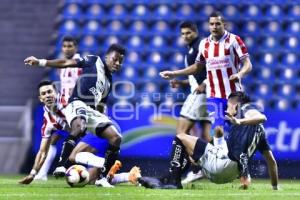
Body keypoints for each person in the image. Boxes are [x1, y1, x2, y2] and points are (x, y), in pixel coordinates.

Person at [24, 44, 126, 186]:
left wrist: (99, 126)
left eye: (120, 61)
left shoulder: (108, 83)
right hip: (77, 103)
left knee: (116, 138)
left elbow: (101, 107)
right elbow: (66, 62)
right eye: (115, 59)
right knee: (80, 125)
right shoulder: (93, 60)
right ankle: (61, 165)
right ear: (107, 57)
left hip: (92, 113)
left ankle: (102, 179)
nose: (117, 64)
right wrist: (41, 62)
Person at [138, 92, 279, 190]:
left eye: (229, 105)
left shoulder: (245, 109)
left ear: (236, 105)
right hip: (229, 174)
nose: (227, 109)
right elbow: (271, 161)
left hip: (222, 166)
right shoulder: (260, 135)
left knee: (180, 137)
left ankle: (174, 181)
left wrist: (239, 120)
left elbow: (261, 117)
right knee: (193, 149)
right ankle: (171, 177)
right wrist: (275, 187)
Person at [160, 11, 253, 132]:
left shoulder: (234, 40)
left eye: (217, 24)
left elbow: (248, 63)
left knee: (234, 131)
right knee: (218, 130)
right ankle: (215, 150)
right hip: (214, 95)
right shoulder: (204, 44)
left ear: (224, 24)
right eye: (212, 24)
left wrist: (240, 74)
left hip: (233, 95)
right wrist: (174, 73)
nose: (214, 27)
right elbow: (197, 67)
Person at [34, 35, 83, 181]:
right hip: (63, 106)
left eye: (70, 46)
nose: (67, 49)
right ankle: (42, 173)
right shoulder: (62, 68)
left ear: (76, 47)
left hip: (75, 107)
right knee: (53, 138)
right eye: (64, 46)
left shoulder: (79, 63)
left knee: (75, 139)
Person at [169, 21, 211, 184]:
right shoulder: (192, 48)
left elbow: (212, 69)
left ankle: (195, 169)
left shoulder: (201, 45)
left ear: (195, 31)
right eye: (183, 34)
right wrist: (181, 83)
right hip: (206, 96)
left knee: (181, 133)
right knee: (206, 135)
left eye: (188, 33)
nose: (186, 36)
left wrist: (205, 84)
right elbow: (196, 77)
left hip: (200, 96)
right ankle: (225, 162)